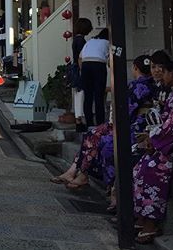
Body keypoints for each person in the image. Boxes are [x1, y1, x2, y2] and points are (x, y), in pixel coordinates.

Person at [53, 55, 153, 195]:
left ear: (135, 67)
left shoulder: (137, 85)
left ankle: (80, 173)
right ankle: (76, 172)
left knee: (95, 138)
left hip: (132, 125)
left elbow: (126, 110)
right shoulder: (149, 84)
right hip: (132, 122)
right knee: (92, 135)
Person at [133, 59, 173, 244]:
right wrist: (150, 136)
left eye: (166, 71)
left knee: (150, 169)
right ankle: (143, 216)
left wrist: (154, 139)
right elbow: (164, 120)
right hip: (165, 141)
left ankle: (152, 222)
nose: (163, 74)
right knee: (139, 167)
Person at [79, 28, 109, 128]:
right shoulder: (107, 42)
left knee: (88, 96)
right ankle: (100, 123)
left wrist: (82, 70)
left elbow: (80, 57)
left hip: (85, 65)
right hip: (98, 65)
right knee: (99, 95)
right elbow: (115, 56)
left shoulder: (90, 41)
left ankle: (89, 123)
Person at [70, 18, 93, 132]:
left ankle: (78, 120)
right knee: (81, 94)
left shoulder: (76, 40)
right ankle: (80, 121)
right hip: (80, 70)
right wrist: (83, 71)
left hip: (75, 69)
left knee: (78, 94)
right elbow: (80, 58)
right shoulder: (81, 41)